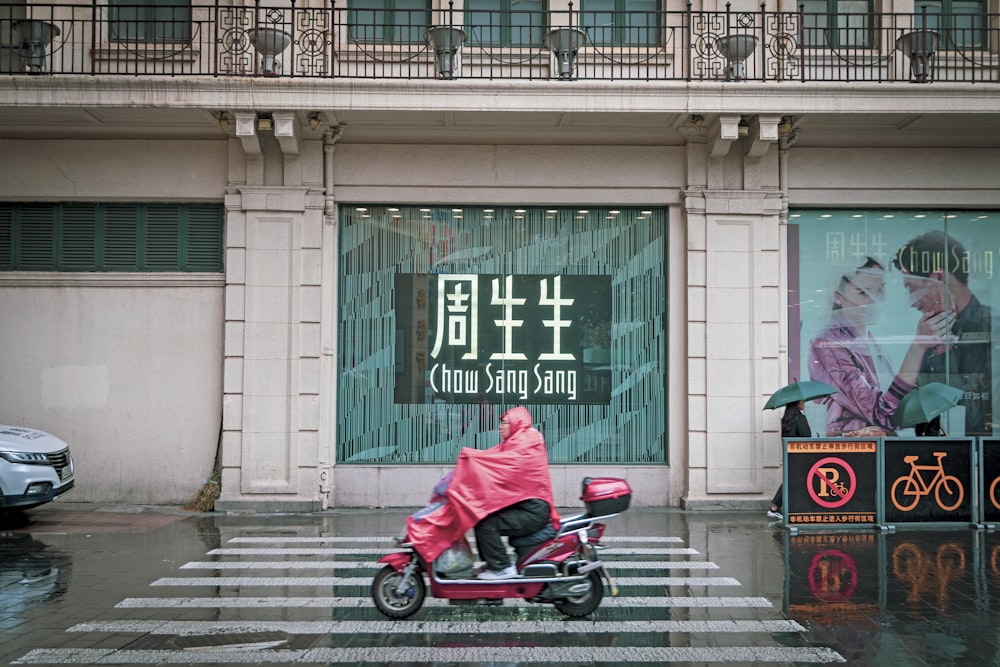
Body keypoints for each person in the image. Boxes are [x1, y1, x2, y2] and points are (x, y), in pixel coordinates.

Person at [405, 406, 560, 580]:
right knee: (481, 517)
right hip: (525, 505)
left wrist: (471, 459)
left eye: (504, 423)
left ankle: (502, 567)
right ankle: (493, 563)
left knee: (487, 524)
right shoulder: (516, 441)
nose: (500, 427)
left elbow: (501, 468)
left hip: (533, 511)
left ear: (516, 423)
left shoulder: (526, 442)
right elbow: (496, 465)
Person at [808, 257, 954, 436]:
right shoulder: (828, 344)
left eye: (880, 289)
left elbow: (893, 412)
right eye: (863, 292)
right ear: (838, 296)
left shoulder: (870, 341)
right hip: (851, 449)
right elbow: (881, 415)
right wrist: (918, 347)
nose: (874, 300)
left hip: (876, 445)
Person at [892, 230, 993, 436]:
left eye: (911, 289)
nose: (912, 303)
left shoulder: (990, 328)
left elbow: (974, 415)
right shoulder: (930, 336)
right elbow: (908, 415)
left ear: (938, 279)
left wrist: (940, 351)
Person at [769, 399, 811, 520]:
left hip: (790, 454)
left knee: (791, 480)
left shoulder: (787, 418)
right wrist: (807, 425)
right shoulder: (799, 418)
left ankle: (777, 507)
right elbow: (806, 436)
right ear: (797, 403)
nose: (804, 403)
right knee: (791, 481)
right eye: (802, 402)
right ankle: (774, 507)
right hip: (800, 455)